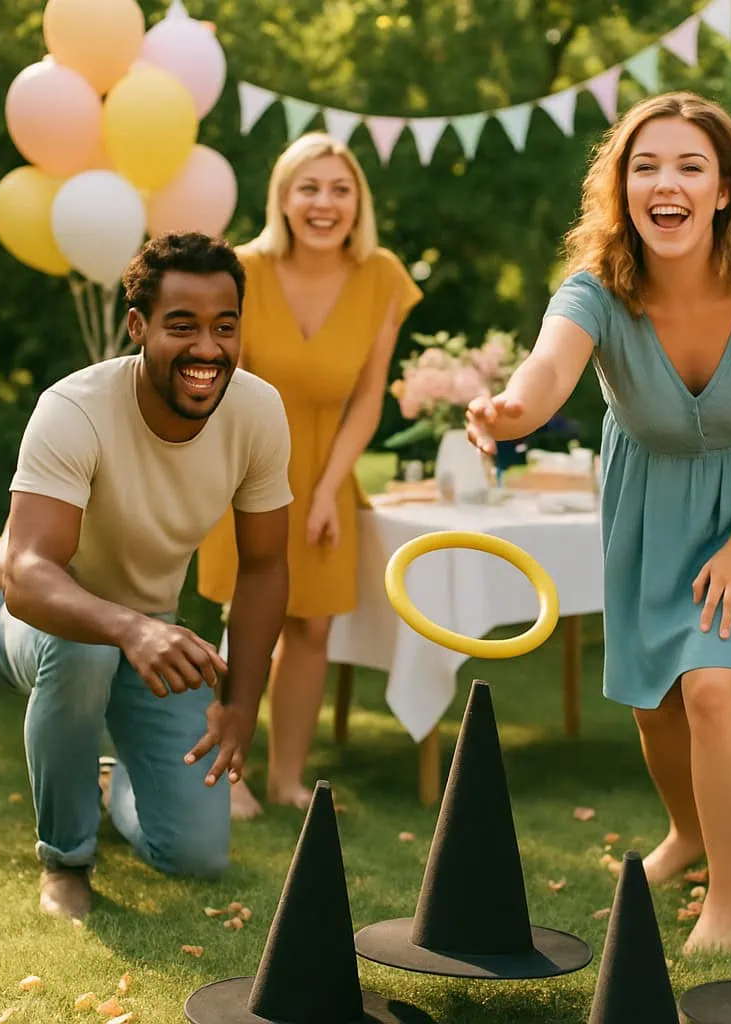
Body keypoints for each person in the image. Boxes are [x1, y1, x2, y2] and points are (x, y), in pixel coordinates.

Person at [467, 92, 731, 954]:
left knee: (712, 685)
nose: (666, 183)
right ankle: (688, 830)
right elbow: (546, 370)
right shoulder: (596, 288)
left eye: (689, 166)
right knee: (658, 705)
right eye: (645, 167)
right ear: (622, 189)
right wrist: (507, 412)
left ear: (724, 190)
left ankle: (729, 903)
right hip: (650, 503)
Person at [0, 233, 293, 921]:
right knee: (84, 652)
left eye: (225, 327)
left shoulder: (257, 411)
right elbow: (27, 575)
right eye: (182, 326)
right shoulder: (75, 408)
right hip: (42, 620)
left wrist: (241, 703)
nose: (207, 348)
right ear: (138, 326)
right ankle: (65, 860)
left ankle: (113, 779)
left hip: (148, 629)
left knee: (197, 855)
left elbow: (265, 566)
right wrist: (130, 629)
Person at [197, 132, 423, 819]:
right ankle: (226, 773)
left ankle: (286, 778)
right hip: (244, 466)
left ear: (358, 203)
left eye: (340, 189)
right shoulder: (241, 270)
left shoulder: (381, 275)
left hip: (327, 470)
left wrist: (326, 490)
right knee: (245, 627)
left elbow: (369, 398)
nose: (325, 203)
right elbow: (217, 380)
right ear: (284, 199)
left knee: (313, 630)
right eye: (310, 188)